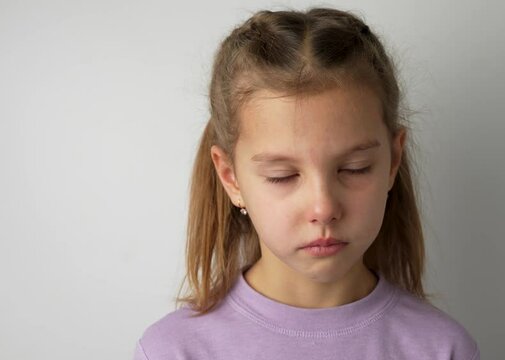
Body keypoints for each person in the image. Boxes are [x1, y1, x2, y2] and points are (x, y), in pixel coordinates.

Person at [133, 7, 479, 360]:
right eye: (282, 176)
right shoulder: (173, 350)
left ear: (392, 162)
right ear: (230, 178)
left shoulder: (440, 348)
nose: (324, 208)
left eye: (355, 168)